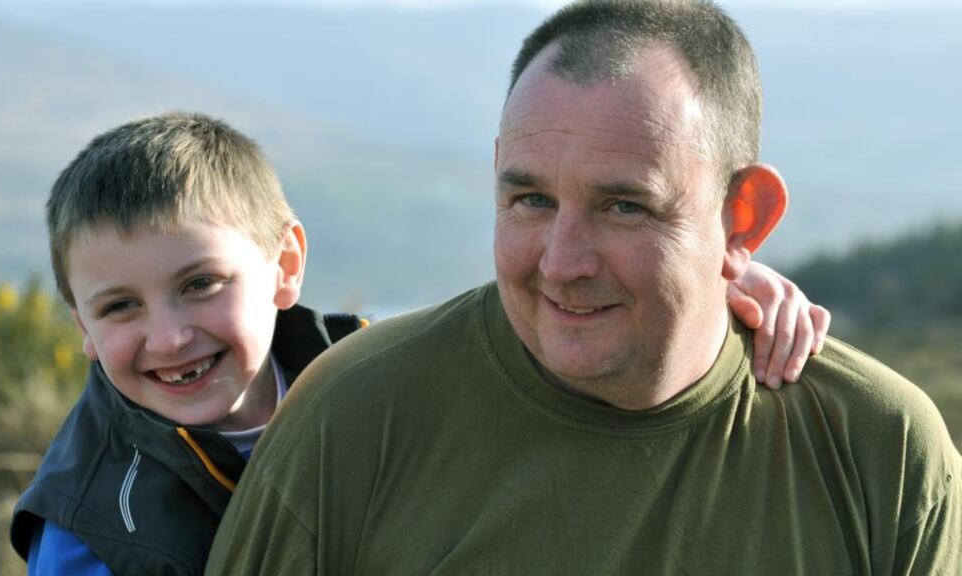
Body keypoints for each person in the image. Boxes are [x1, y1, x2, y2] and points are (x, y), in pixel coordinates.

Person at [206, 1, 961, 574]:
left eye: (623, 206)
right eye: (530, 199)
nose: (562, 263)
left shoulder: (877, 449)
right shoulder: (355, 417)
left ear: (743, 217)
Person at [8, 112, 365, 575]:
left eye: (201, 284)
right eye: (120, 307)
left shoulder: (374, 383)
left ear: (286, 265)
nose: (169, 340)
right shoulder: (91, 533)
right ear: (84, 327)